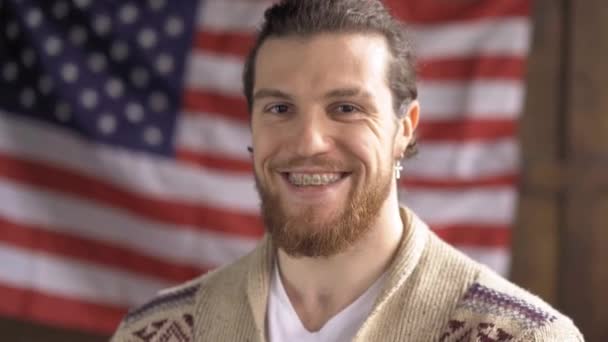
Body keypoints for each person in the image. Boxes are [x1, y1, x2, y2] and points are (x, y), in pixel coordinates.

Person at [111, 0, 583, 341]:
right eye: (279, 108)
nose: (309, 142)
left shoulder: (523, 337)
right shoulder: (154, 334)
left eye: (345, 107)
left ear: (405, 128)